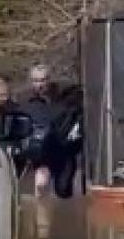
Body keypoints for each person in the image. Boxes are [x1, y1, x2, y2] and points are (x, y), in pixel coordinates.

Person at [21, 64, 82, 198]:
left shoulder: (65, 98)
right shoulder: (26, 104)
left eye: (43, 80)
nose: (40, 84)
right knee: (41, 186)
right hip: (42, 153)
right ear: (31, 82)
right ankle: (42, 216)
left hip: (64, 152)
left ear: (50, 80)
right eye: (36, 81)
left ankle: (62, 216)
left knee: (63, 192)